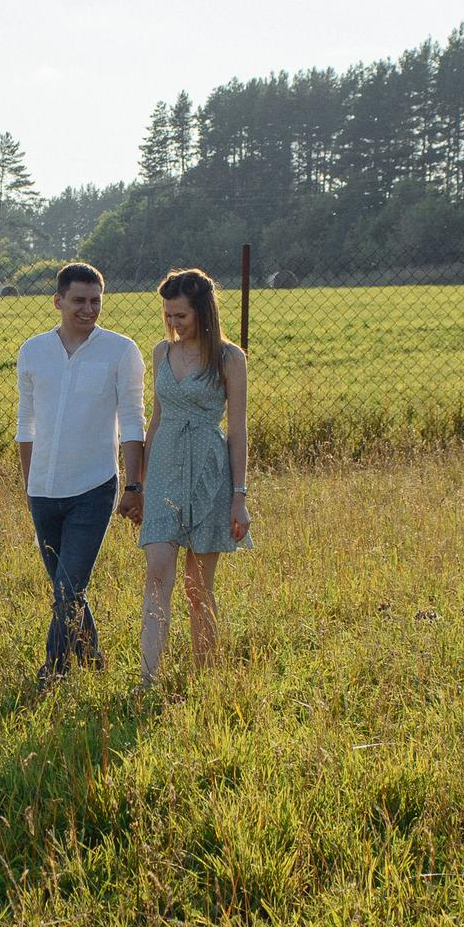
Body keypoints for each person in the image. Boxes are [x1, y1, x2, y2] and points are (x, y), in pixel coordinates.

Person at [15, 262, 146, 684]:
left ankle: (52, 672)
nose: (88, 309)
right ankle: (93, 661)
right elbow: (26, 422)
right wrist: (28, 484)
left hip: (94, 485)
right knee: (66, 587)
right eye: (79, 301)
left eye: (95, 301)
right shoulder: (33, 350)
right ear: (58, 301)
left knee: (67, 587)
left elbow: (132, 419)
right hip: (43, 488)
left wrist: (133, 483)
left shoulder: (121, 351)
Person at [138, 268, 250, 682]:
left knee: (197, 588)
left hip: (209, 471)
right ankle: (147, 678)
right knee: (157, 573)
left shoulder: (229, 358)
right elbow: (156, 419)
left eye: (180, 316)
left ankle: (205, 678)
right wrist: (141, 484)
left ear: (202, 311)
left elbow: (237, 431)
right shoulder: (160, 353)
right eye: (167, 315)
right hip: (165, 466)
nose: (172, 324)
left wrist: (239, 496)